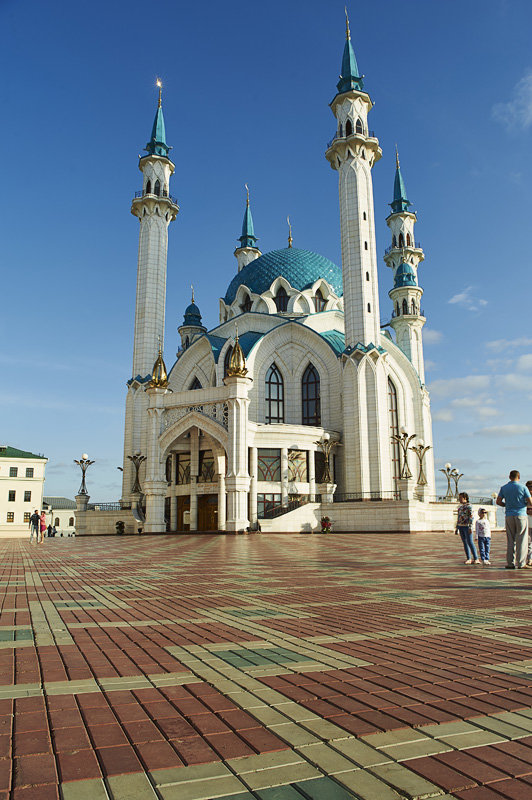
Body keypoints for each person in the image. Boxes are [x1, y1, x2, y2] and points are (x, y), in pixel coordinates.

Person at [497, 470, 532, 569]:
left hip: (509, 515)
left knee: (510, 540)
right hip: (521, 515)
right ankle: (521, 563)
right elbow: (530, 501)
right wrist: (524, 504)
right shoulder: (523, 487)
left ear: (509, 477)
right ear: (519, 477)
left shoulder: (504, 488)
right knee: (522, 540)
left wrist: (506, 505)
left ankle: (510, 563)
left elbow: (498, 501)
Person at [455, 492, 480, 564]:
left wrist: (470, 526)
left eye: (461, 498)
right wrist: (457, 528)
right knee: (465, 543)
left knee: (470, 542)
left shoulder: (469, 506)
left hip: (467, 526)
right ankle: (468, 558)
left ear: (465, 498)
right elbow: (458, 517)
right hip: (461, 526)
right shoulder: (460, 507)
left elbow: (471, 516)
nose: (459, 499)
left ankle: (476, 558)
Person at [526, 481, 532, 567]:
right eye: (529, 488)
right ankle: (529, 559)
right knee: (528, 542)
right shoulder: (525, 497)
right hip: (528, 522)